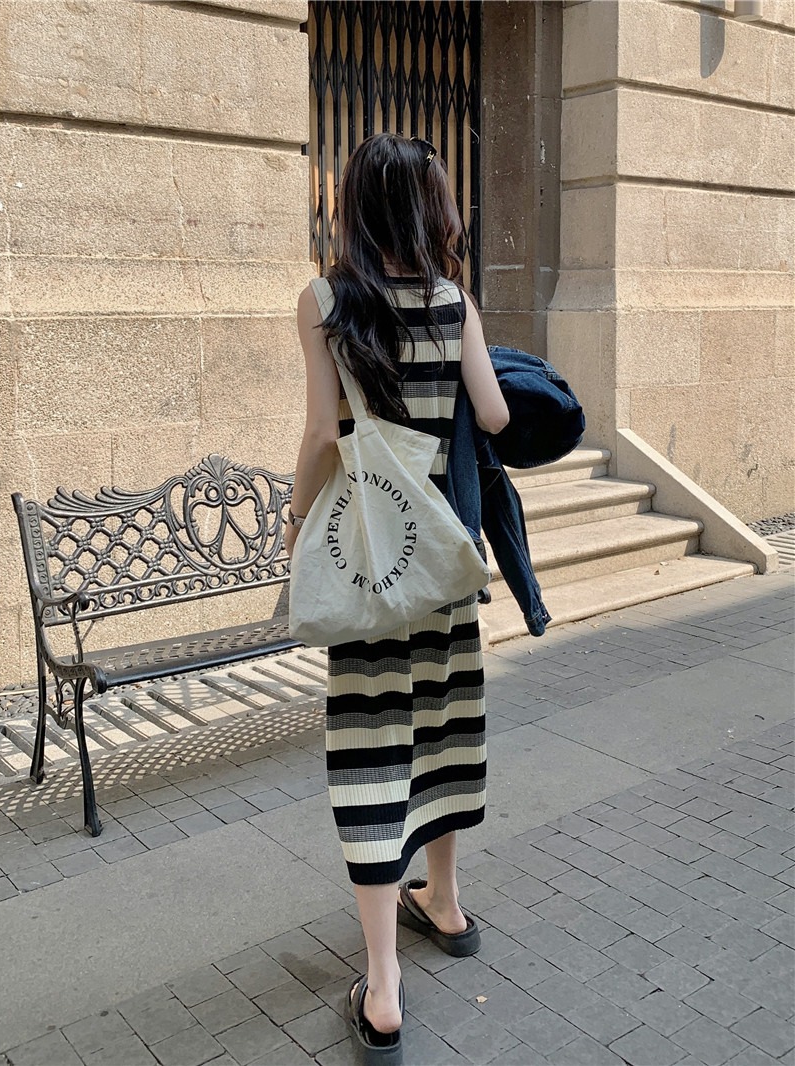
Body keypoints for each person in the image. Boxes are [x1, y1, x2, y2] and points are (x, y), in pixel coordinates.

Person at [284, 132, 508, 1063]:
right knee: (446, 732)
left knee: (372, 751)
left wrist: (298, 523)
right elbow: (493, 415)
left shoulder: (325, 301)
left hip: (372, 563)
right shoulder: (455, 301)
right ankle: (446, 904)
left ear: (356, 207)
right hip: (441, 564)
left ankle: (382, 987)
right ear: (431, 208)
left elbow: (320, 434)